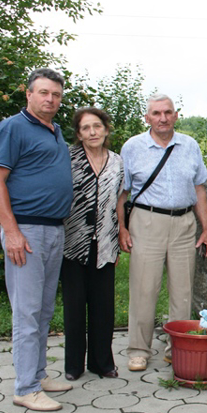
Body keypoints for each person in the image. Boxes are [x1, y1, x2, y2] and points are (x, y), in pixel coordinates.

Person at [0, 68, 74, 411]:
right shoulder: (13, 127)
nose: (50, 99)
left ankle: (37, 375)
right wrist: (11, 232)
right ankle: (24, 387)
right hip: (26, 231)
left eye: (55, 94)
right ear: (29, 94)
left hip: (54, 229)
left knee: (44, 310)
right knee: (26, 312)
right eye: (43, 92)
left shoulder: (55, 131)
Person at [117, 94, 207, 372]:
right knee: (144, 288)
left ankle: (178, 347)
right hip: (147, 221)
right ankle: (138, 349)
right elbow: (122, 193)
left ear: (176, 115)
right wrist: (122, 228)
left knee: (183, 291)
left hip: (184, 223)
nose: (162, 118)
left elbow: (199, 189)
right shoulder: (133, 147)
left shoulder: (189, 145)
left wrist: (206, 229)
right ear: (147, 117)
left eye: (168, 112)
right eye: (156, 113)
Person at [61, 108, 124, 381]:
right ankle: (74, 366)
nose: (92, 132)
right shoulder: (68, 158)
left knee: (103, 307)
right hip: (72, 243)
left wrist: (121, 233)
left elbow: (120, 199)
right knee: (75, 308)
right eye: (86, 128)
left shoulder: (117, 162)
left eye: (97, 126)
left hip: (106, 243)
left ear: (106, 129)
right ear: (78, 134)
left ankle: (102, 363)